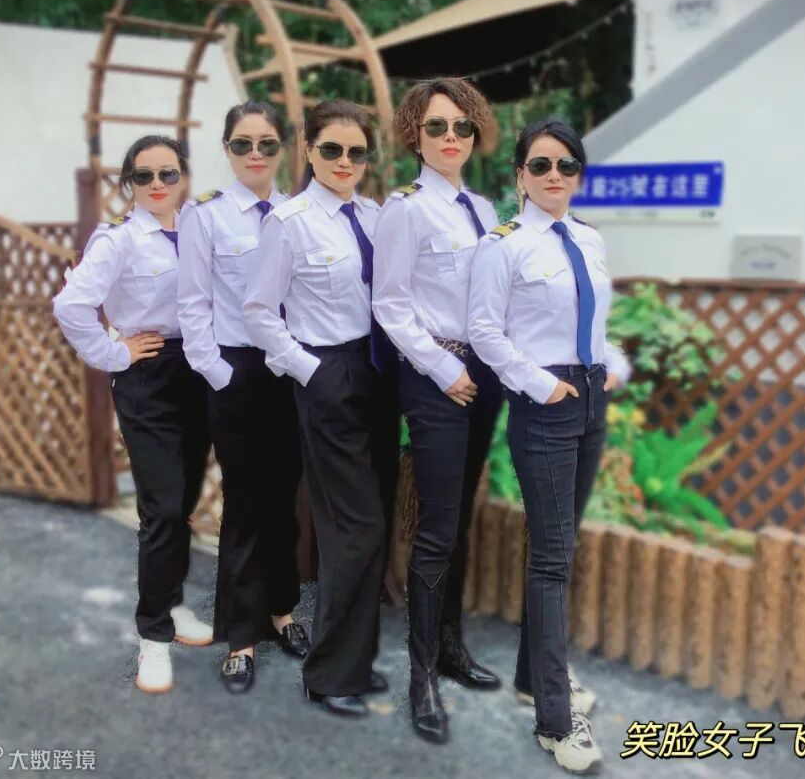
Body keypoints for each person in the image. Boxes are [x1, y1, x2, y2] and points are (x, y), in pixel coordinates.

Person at [467, 117, 630, 774]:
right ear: (520, 176)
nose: (554, 175)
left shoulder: (588, 238)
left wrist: (612, 365)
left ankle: (533, 679)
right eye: (540, 165)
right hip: (544, 404)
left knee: (562, 547)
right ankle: (556, 721)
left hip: (590, 396)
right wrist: (540, 384)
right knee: (552, 559)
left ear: (578, 174)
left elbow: (594, 323)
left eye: (566, 165)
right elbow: (484, 331)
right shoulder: (504, 245)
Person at [242, 100, 396, 718]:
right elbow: (258, 312)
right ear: (308, 150)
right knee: (354, 527)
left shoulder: (375, 216)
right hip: (328, 373)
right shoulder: (290, 222)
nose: (345, 162)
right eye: (332, 149)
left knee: (374, 521)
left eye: (357, 152)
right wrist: (308, 370)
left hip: (378, 371)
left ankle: (353, 663)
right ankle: (329, 675)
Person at [53, 135, 213, 694]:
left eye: (168, 173)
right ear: (129, 184)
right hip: (149, 374)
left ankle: (171, 603)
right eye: (144, 176)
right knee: (162, 507)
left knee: (184, 499)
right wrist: (113, 354)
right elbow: (70, 305)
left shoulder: (198, 226)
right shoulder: (119, 238)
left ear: (183, 177)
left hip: (198, 366)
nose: (157, 185)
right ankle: (153, 636)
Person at [371, 77, 502, 744]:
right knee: (437, 526)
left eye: (462, 127)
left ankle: (451, 645)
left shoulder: (483, 207)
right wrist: (443, 368)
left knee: (462, 519)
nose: (451, 137)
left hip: (486, 375)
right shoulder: (406, 209)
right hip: (436, 377)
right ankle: (420, 673)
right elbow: (389, 304)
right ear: (414, 135)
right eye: (437, 127)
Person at [176, 101, 308, 694]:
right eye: (243, 143)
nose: (255, 154)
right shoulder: (205, 215)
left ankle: (281, 610)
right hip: (237, 371)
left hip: (290, 371)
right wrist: (219, 374)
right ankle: (242, 634)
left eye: (267, 143)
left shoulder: (297, 213)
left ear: (283, 149)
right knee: (246, 504)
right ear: (227, 149)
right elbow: (192, 304)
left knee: (284, 500)